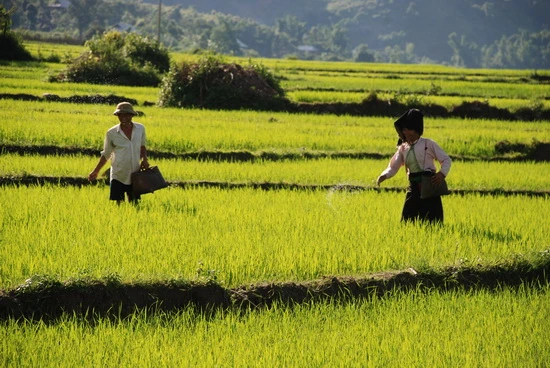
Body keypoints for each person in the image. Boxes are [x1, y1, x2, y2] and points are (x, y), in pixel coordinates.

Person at [376, 109, 451, 223]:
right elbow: (394, 166)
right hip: (414, 185)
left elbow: (446, 160)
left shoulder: (428, 143)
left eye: (410, 133)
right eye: (405, 133)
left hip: (429, 184)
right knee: (408, 218)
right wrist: (384, 175)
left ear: (417, 131)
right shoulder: (403, 148)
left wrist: (441, 174)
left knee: (432, 218)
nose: (407, 135)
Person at [88, 102, 149, 204]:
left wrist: (145, 160)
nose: (123, 117)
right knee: (119, 204)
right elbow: (106, 154)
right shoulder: (111, 133)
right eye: (120, 115)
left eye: (126, 115)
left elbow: (142, 146)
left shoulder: (140, 129)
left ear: (132, 115)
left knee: (135, 203)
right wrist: (96, 171)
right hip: (118, 174)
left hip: (135, 173)